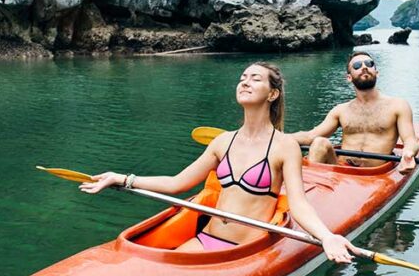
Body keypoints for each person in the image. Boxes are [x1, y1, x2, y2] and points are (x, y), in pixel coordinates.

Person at [79, 62, 358, 263]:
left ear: (272, 94)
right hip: (206, 240)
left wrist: (326, 236)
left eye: (255, 78)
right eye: (242, 77)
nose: (245, 82)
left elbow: (298, 204)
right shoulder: (222, 142)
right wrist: (123, 178)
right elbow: (177, 183)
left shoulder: (285, 146)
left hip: (246, 249)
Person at [291, 51, 419, 173]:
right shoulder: (341, 110)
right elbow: (310, 136)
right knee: (320, 142)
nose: (364, 67)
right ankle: (311, 189)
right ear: (349, 77)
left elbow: (410, 140)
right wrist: (276, 137)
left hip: (375, 172)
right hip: (342, 168)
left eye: (369, 64)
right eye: (357, 65)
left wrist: (408, 153)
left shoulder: (398, 105)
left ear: (377, 72)